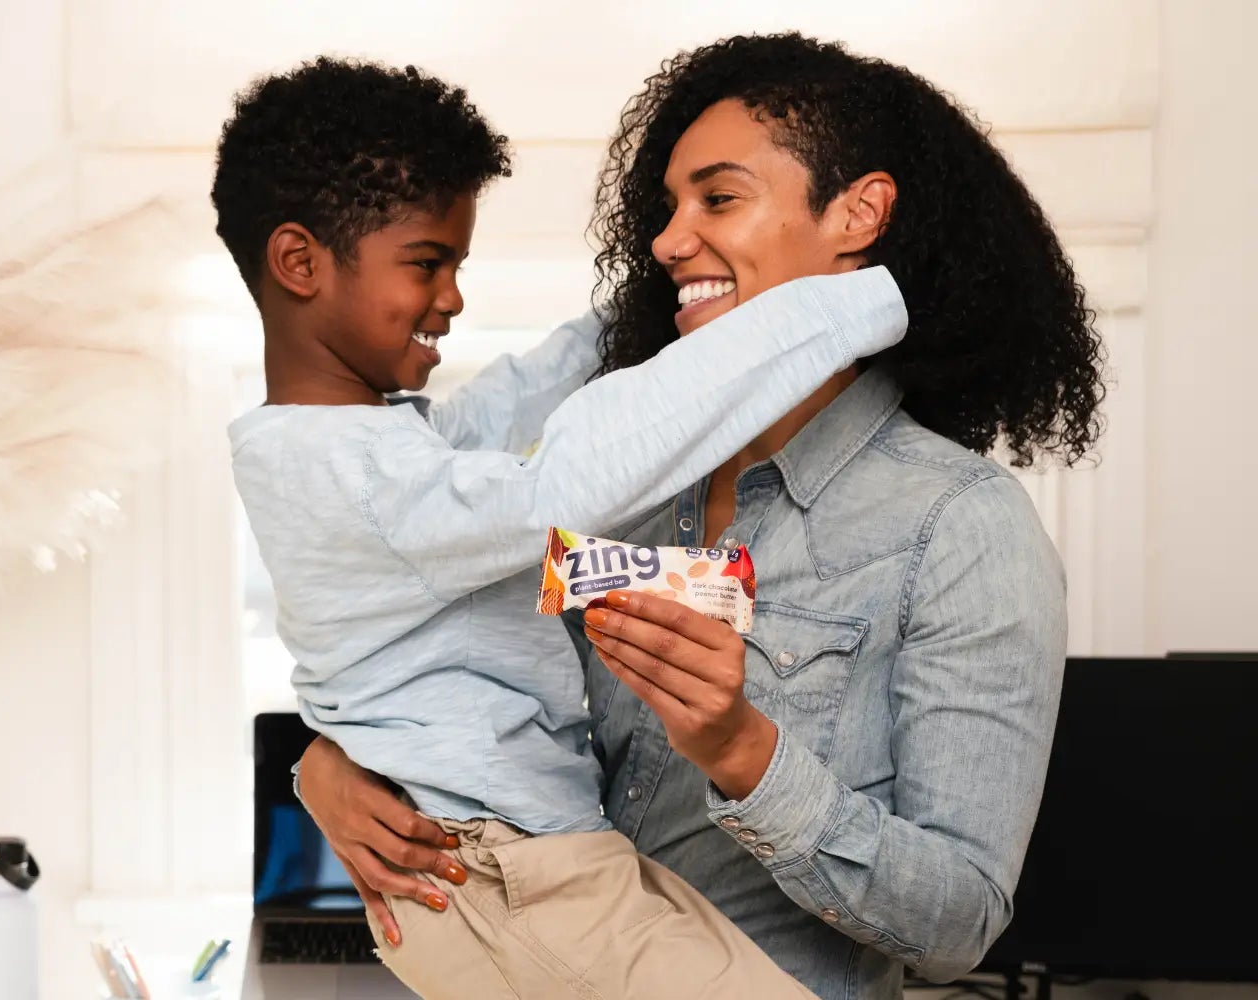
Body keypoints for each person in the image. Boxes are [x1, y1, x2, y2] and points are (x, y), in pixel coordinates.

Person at [293, 33, 1106, 1000]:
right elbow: (475, 684)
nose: (669, 241)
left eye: (718, 199)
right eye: (670, 207)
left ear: (860, 213)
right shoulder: (602, 489)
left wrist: (744, 755)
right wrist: (334, 766)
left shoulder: (961, 527)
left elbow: (958, 922)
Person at [215, 55, 910, 999]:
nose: (453, 297)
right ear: (299, 264)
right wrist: (855, 303)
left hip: (523, 863)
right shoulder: (353, 474)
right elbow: (562, 484)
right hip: (502, 867)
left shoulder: (379, 448)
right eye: (428, 263)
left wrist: (647, 300)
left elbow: (526, 397)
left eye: (718, 203)